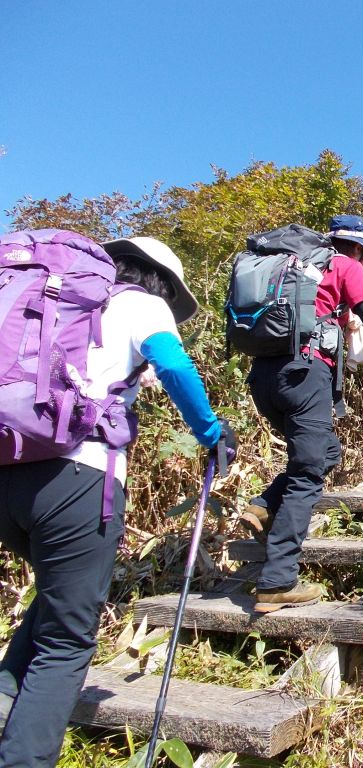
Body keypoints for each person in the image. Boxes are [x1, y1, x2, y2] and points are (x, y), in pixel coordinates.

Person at [0, 235, 233, 768]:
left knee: (59, 601)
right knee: (67, 641)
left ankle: (6, 700)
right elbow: (174, 366)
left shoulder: (49, 296)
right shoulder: (141, 304)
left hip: (7, 469)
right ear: (163, 283)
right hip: (77, 481)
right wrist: (212, 431)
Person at [241, 214, 363, 613]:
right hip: (305, 374)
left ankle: (264, 505)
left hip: (264, 376)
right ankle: (277, 581)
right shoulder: (344, 265)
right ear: (359, 248)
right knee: (307, 473)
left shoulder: (289, 265)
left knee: (325, 452)